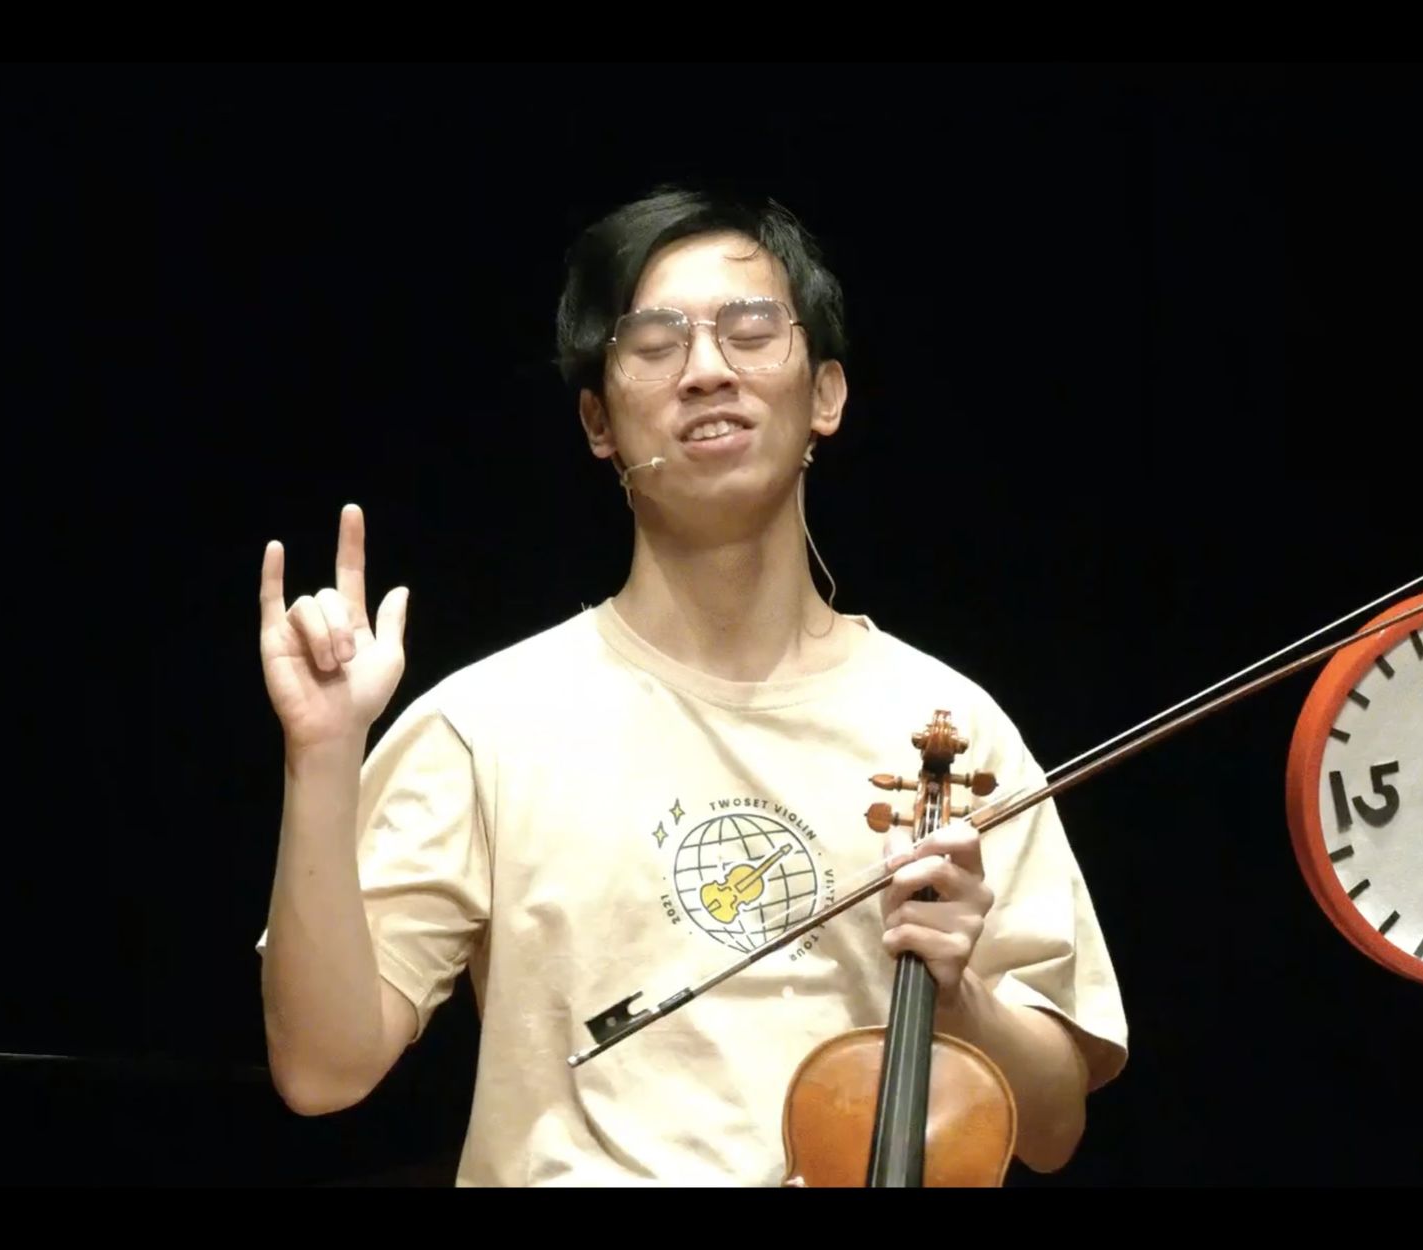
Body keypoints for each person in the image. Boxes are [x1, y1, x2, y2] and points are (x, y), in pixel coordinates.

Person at [254, 186, 1129, 1187]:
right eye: (654, 343)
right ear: (598, 420)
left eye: (750, 331)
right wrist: (322, 756)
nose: (707, 370)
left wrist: (958, 991)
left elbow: (1051, 1125)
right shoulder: (486, 721)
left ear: (827, 395)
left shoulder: (951, 729)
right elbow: (321, 1068)